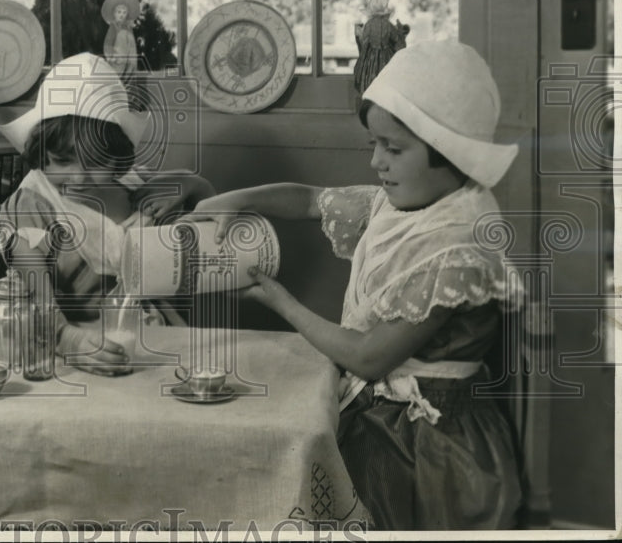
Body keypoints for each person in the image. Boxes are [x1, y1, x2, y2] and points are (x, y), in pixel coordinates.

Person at [191, 40, 522, 530]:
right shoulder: (407, 202)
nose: (377, 163)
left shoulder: (456, 245)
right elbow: (308, 200)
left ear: (449, 153)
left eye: (394, 149)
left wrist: (281, 301)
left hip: (433, 448)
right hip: (388, 415)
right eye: (374, 145)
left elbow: (370, 356)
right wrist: (239, 199)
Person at [0, 52, 214, 375]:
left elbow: (212, 237)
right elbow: (34, 293)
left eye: (96, 163)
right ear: (42, 150)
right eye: (63, 160)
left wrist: (194, 184)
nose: (80, 177)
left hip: (161, 340)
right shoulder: (32, 205)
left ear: (116, 156)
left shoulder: (135, 185)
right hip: (81, 347)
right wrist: (68, 340)